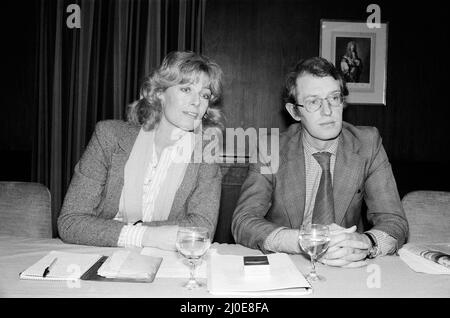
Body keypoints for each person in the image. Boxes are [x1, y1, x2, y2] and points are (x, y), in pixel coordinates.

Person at [232, 57, 408, 267]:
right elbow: (243, 221)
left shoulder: (368, 143)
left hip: (349, 265)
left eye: (334, 98)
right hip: (290, 263)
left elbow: (394, 221)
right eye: (313, 101)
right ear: (295, 111)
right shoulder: (270, 149)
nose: (327, 111)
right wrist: (303, 241)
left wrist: (366, 243)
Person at [58, 51, 224, 250]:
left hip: (167, 265)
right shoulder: (110, 136)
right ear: (160, 93)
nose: (197, 102)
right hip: (102, 258)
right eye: (186, 89)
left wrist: (117, 231)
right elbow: (71, 222)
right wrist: (145, 236)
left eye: (204, 95)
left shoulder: (206, 152)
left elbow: (201, 229)